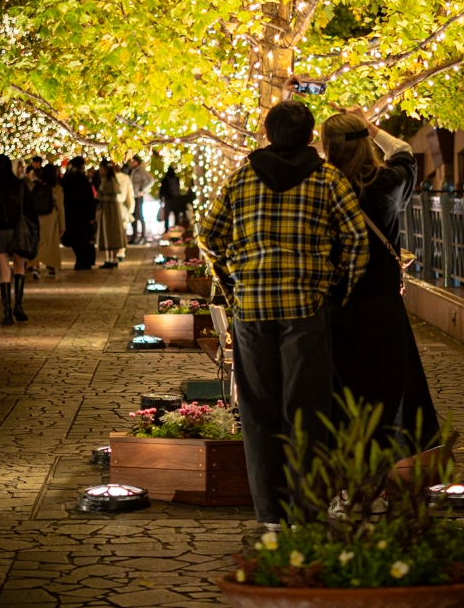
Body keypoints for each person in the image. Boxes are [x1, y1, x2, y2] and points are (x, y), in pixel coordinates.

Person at [199, 98, 369, 528]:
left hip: (253, 308)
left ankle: (270, 514)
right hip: (306, 308)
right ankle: (305, 510)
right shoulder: (329, 179)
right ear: (311, 136)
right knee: (307, 411)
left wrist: (233, 284)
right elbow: (356, 241)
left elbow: (209, 237)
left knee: (258, 411)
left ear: (268, 134)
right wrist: (337, 289)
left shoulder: (240, 181)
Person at [321, 107, 440, 451]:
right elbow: (403, 152)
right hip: (382, 305)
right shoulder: (386, 184)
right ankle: (386, 476)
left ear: (329, 147)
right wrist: (368, 125)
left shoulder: (323, 187)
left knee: (343, 396)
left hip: (336, 305)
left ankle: (347, 479)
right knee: (388, 392)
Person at [0, 153, 38, 324]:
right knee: (20, 267)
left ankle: (6, 311)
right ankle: (18, 304)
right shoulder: (19, 186)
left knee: (4, 272)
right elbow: (30, 209)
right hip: (18, 230)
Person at [62, 157, 96, 269]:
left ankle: (81, 260)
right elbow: (89, 198)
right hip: (83, 214)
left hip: (71, 213)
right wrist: (91, 215)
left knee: (75, 239)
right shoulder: (83, 179)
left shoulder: (67, 178)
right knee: (83, 239)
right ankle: (84, 261)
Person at [32, 164, 65, 277]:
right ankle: (51, 266)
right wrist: (62, 226)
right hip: (51, 219)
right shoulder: (57, 189)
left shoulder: (36, 187)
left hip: (37, 217)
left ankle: (35, 266)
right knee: (51, 243)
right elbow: (60, 208)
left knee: (37, 243)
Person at [96, 161, 126, 268]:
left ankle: (112, 259)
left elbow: (112, 195)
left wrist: (100, 197)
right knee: (107, 233)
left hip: (110, 210)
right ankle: (109, 259)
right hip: (107, 209)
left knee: (111, 233)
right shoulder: (104, 179)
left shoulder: (110, 180)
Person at [128, 156, 154, 244]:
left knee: (139, 216)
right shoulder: (132, 171)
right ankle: (134, 236)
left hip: (138, 196)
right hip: (133, 196)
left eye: (133, 161)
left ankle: (143, 236)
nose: (132, 163)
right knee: (134, 217)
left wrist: (142, 190)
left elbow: (151, 180)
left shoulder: (141, 171)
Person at [114, 164, 135, 260]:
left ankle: (113, 251)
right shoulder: (125, 178)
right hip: (122, 207)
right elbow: (130, 195)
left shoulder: (108, 178)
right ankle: (121, 251)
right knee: (121, 230)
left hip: (111, 206)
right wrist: (130, 209)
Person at [159, 166, 181, 231]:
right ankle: (176, 228)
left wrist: (161, 199)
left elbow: (162, 191)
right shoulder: (176, 179)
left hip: (168, 199)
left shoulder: (165, 180)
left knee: (167, 216)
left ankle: (166, 229)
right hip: (176, 199)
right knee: (176, 215)